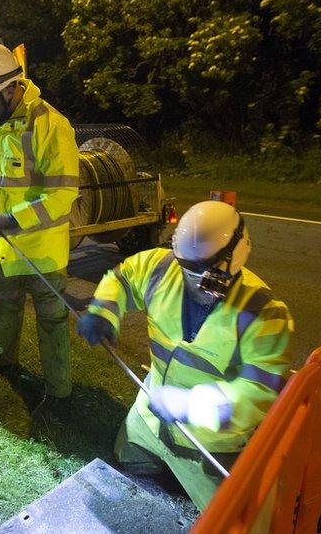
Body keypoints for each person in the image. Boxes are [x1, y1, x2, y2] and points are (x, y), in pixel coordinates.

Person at [77, 200, 294, 509]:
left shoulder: (263, 314)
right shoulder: (162, 268)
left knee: (234, 520)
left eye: (203, 276)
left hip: (208, 444)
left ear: (234, 256)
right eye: (187, 271)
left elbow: (258, 392)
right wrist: (104, 311)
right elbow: (122, 278)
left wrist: (191, 406)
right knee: (130, 472)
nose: (192, 285)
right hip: (150, 421)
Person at [0, 43, 80, 412]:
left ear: (11, 88)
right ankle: (3, 359)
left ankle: (59, 392)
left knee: (52, 322)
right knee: (3, 306)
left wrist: (12, 219)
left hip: (42, 251)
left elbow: (62, 195)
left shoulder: (51, 126)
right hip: (4, 249)